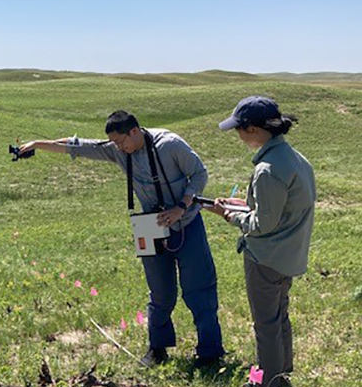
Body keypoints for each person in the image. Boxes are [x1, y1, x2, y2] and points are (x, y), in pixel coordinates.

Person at [19, 111, 225, 367]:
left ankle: (210, 353)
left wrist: (181, 207)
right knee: (160, 293)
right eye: (114, 143)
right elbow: (78, 146)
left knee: (199, 290)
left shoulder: (170, 144)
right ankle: (157, 349)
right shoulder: (119, 150)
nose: (117, 147)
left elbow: (199, 174)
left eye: (120, 141)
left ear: (134, 132)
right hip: (150, 225)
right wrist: (38, 144)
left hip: (186, 222)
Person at [206, 96, 316, 387]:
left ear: (253, 129)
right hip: (288, 254)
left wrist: (228, 215)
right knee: (279, 316)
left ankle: (266, 386)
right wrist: (244, 205)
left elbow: (263, 224)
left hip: (266, 257)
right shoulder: (295, 158)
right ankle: (281, 371)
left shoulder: (267, 169)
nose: (238, 136)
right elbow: (278, 209)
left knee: (265, 324)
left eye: (239, 129)